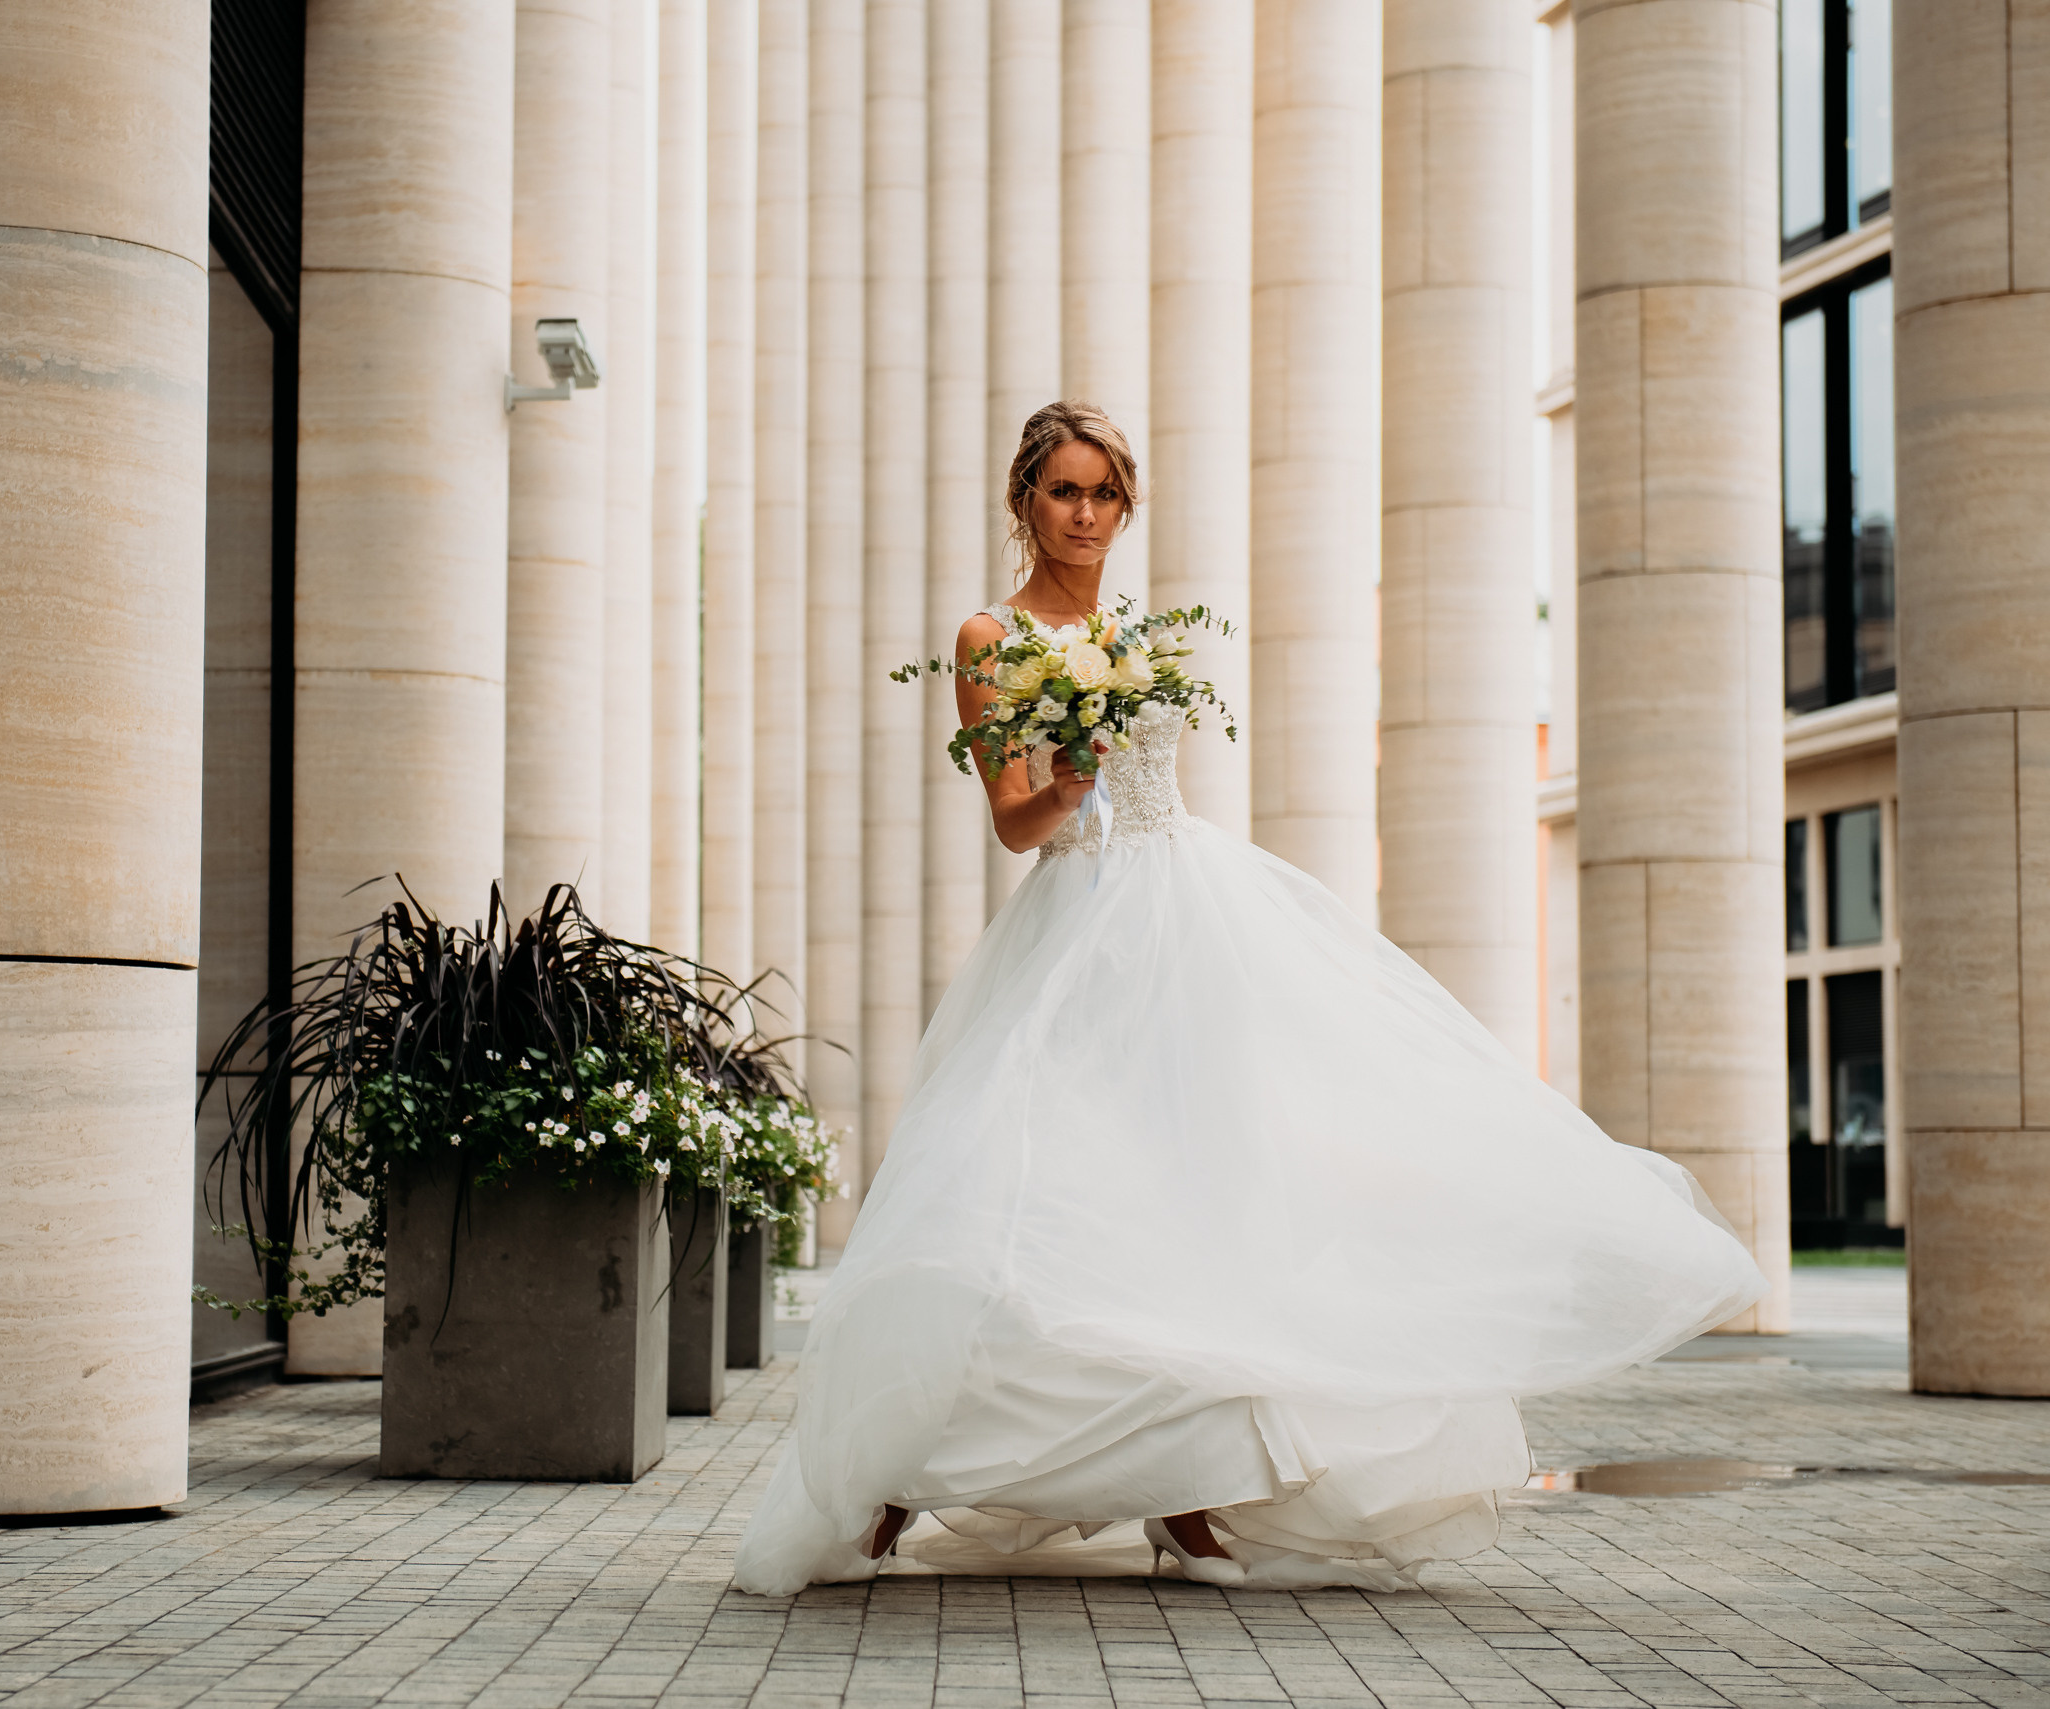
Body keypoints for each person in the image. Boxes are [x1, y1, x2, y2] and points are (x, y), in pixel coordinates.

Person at [728, 400, 1765, 1596]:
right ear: (1025, 501)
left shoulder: (1141, 635)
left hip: (1188, 917)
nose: (1085, 514)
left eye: (1104, 493)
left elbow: (1162, 777)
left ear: (1126, 504)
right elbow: (1015, 821)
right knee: (1011, 1194)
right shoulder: (988, 636)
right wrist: (1066, 775)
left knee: (1192, 1197)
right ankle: (889, 1473)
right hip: (1076, 925)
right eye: (1063, 491)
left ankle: (1189, 1494)